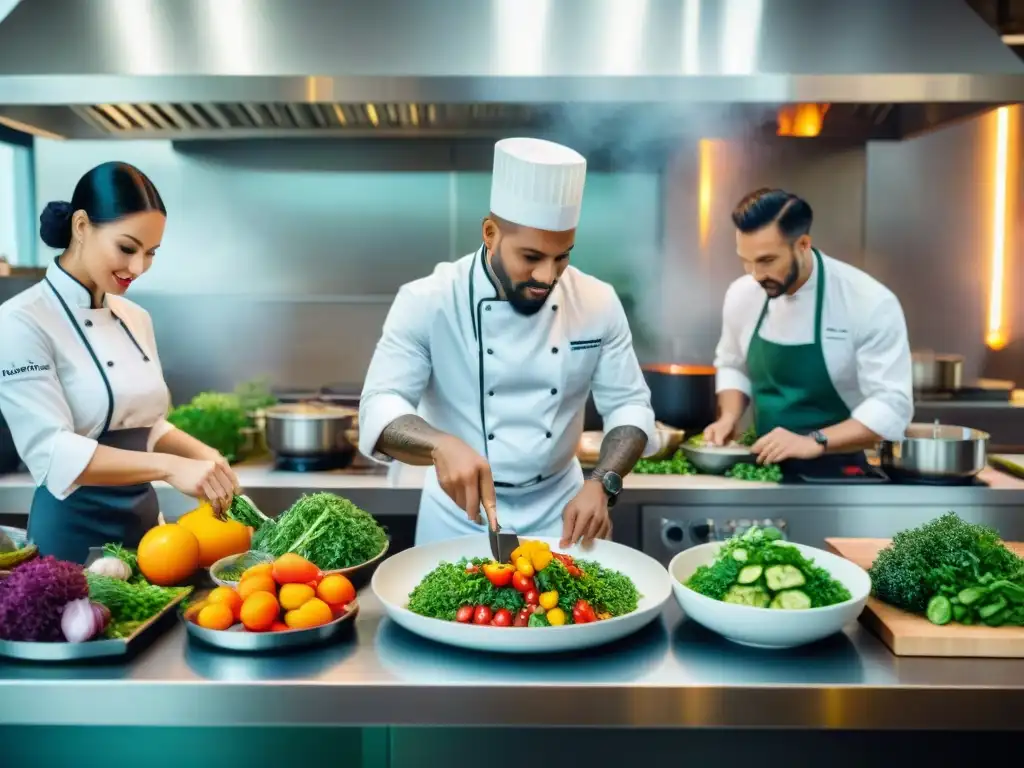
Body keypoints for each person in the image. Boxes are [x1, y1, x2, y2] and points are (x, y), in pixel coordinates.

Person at [360, 137, 657, 547]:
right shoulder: (428, 300)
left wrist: (603, 483)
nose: (547, 277)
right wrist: (439, 444)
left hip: (565, 512)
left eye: (562, 256)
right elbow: (380, 405)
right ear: (490, 233)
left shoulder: (597, 301)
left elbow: (629, 405)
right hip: (458, 515)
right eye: (531, 257)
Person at [0, 162, 240, 563]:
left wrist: (203, 455)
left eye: (150, 253)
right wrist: (169, 468)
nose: (138, 268)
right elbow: (53, 452)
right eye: (127, 248)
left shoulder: (135, 318)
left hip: (149, 538)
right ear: (81, 226)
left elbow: (143, 423)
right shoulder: (19, 322)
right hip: (70, 542)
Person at [704, 187, 913, 477]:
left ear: (802, 244)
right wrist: (728, 417)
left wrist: (815, 441)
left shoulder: (868, 301)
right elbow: (732, 363)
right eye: (745, 260)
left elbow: (892, 407)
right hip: (765, 468)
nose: (754, 274)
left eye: (767, 261)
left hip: (843, 472)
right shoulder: (743, 294)